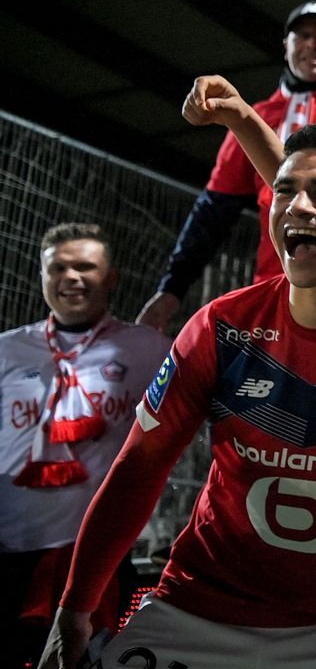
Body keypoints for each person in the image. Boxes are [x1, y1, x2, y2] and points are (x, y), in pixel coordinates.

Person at [40, 127, 316, 669]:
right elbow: (138, 469)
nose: (298, 207)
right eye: (285, 191)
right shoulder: (222, 325)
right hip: (195, 609)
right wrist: (75, 607)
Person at [142, 2, 316, 330]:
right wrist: (171, 290)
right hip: (278, 285)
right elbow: (213, 212)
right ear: (286, 47)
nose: (314, 43)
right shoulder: (252, 118)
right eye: (303, 35)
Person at [1, 225, 168, 666]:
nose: (70, 277)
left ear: (111, 277)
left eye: (85, 267)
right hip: (9, 544)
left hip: (91, 554)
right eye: (58, 267)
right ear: (41, 276)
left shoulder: (146, 349)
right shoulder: (7, 350)